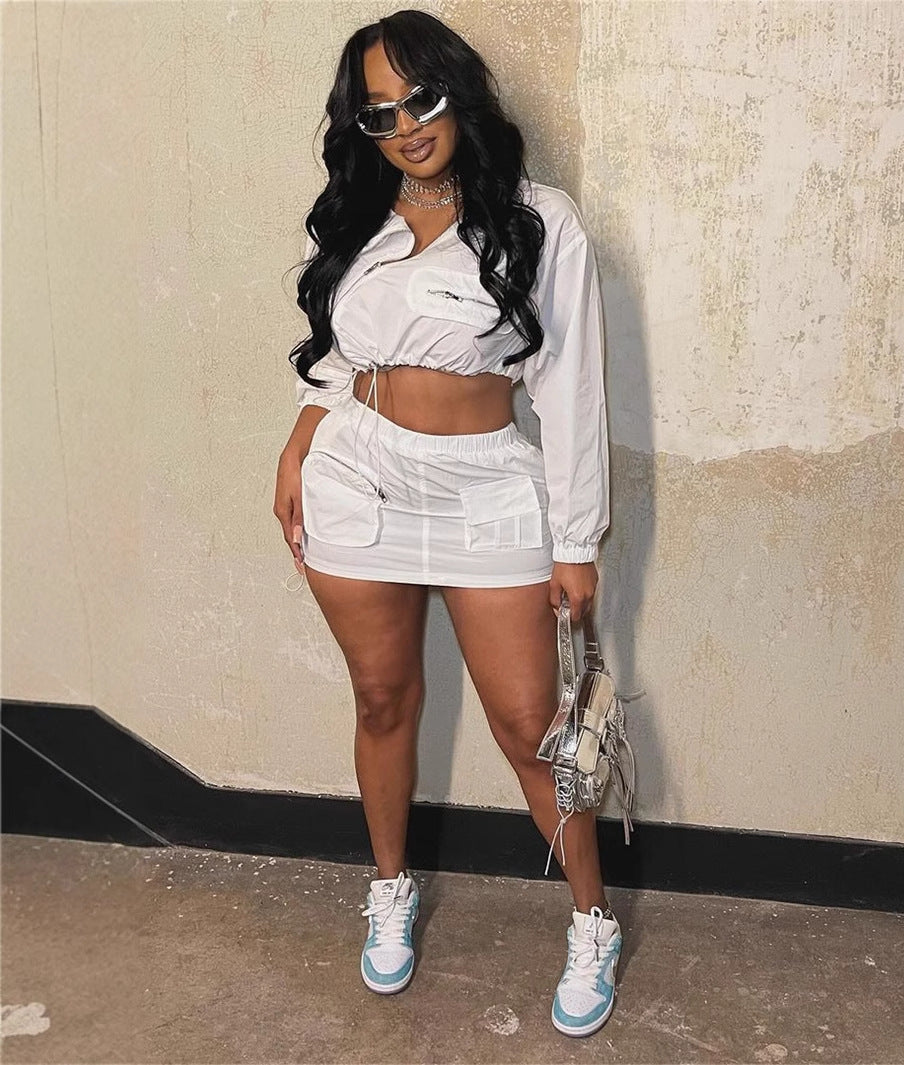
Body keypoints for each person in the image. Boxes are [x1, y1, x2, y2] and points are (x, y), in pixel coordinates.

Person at [273, 9, 619, 1037]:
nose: (406, 127)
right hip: (357, 480)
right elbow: (341, 358)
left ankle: (592, 922)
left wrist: (575, 542)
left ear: (457, 93)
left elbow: (571, 390)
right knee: (383, 699)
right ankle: (390, 889)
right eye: (379, 114)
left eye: (420, 100)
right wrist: (298, 444)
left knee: (529, 727)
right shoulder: (357, 216)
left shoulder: (538, 220)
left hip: (485, 491)